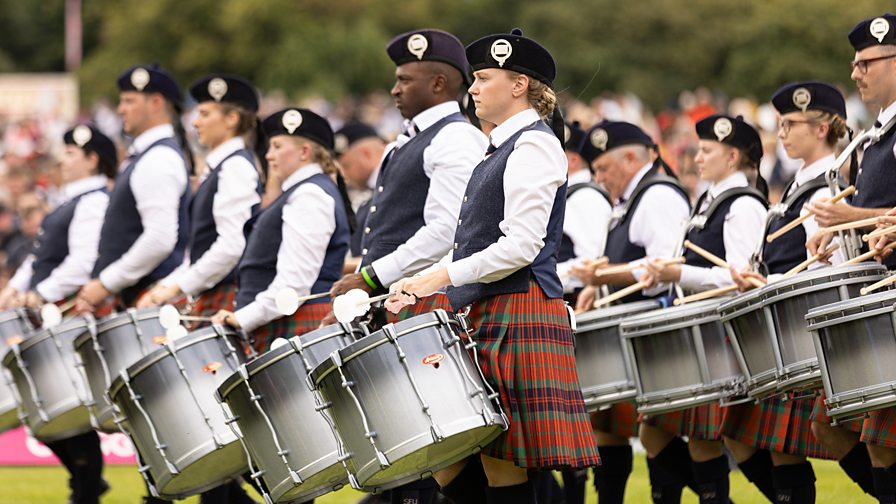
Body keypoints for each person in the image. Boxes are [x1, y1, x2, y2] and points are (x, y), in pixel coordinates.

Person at [386, 28, 600, 504]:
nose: (473, 88)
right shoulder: (498, 147)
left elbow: (521, 245)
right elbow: (472, 240)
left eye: (483, 78)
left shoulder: (535, 145)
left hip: (519, 306)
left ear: (519, 84)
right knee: (455, 452)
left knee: (499, 463)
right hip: (486, 307)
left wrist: (441, 275)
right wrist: (420, 282)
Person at [639, 114, 768, 504]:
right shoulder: (708, 201)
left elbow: (740, 276)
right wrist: (666, 274)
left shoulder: (743, 204)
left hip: (722, 331)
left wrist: (682, 272)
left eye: (706, 150)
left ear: (732, 157)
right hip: (699, 331)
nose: (696, 158)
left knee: (711, 439)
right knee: (667, 433)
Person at [328, 28, 488, 323]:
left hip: (424, 307)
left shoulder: (455, 137)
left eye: (404, 80)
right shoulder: (411, 139)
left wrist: (372, 277)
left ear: (438, 84)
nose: (395, 90)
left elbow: (448, 229)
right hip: (396, 303)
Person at [573, 121, 690, 504]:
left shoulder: (656, 196)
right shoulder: (631, 200)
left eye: (604, 168)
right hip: (628, 332)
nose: (599, 178)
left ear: (629, 157)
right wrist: (597, 284)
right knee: (613, 428)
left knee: (657, 432)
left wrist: (603, 274)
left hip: (654, 330)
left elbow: (661, 270)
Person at [0, 124, 115, 504]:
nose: (63, 159)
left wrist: (38, 294)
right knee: (43, 411)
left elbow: (83, 262)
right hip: (44, 314)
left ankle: (86, 489)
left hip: (65, 314)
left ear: (91, 159)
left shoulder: (94, 200)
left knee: (64, 411)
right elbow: (39, 256)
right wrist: (14, 289)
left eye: (71, 154)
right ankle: (86, 486)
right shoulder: (67, 201)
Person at [211, 107, 350, 354]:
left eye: (277, 146)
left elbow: (293, 285)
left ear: (304, 152)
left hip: (296, 328)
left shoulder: (310, 195)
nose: (269, 155)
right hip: (284, 327)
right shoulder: (303, 192)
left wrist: (243, 318)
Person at [830, 13, 896, 502]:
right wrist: (839, 233)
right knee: (876, 445)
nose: (856, 72)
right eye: (855, 63)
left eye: (867, 62)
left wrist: (849, 215)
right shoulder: (873, 137)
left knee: (882, 446)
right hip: (881, 301)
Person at [137, 73, 263, 320]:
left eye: (205, 114)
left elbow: (230, 247)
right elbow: (199, 252)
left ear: (232, 119)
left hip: (227, 294)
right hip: (213, 291)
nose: (195, 123)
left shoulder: (235, 167)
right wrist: (165, 286)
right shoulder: (222, 167)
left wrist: (177, 287)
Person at [74, 64, 191, 318]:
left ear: (156, 103)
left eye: (129, 101)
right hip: (138, 297)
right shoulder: (146, 156)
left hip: (150, 298)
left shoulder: (158, 158)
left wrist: (106, 282)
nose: (120, 109)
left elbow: (160, 238)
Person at [557, 120, 612, 305]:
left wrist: (545, 276)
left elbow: (595, 261)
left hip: (578, 301)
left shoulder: (584, 198)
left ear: (572, 160)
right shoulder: (568, 197)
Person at [332, 121, 386, 266]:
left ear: (366, 154)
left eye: (345, 165)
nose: (343, 175)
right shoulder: (369, 193)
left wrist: (336, 265)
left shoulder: (390, 185)